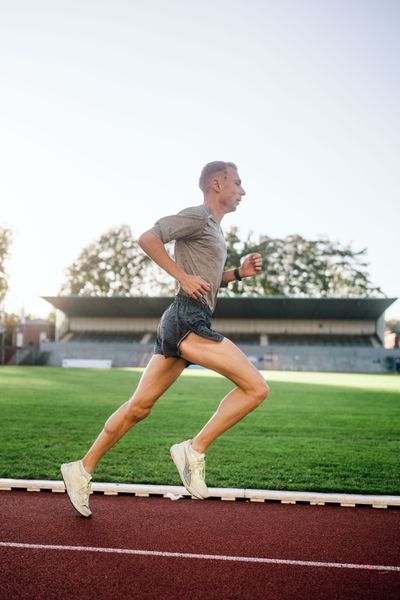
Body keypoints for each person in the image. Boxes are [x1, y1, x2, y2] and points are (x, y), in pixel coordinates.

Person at [61, 161, 269, 517]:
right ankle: (194, 449)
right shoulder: (198, 216)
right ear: (217, 183)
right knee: (256, 388)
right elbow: (148, 238)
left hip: (183, 319)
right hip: (187, 317)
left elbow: (209, 279)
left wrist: (237, 274)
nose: (243, 190)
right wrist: (183, 277)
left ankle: (80, 469)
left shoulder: (215, 230)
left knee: (138, 408)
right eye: (238, 182)